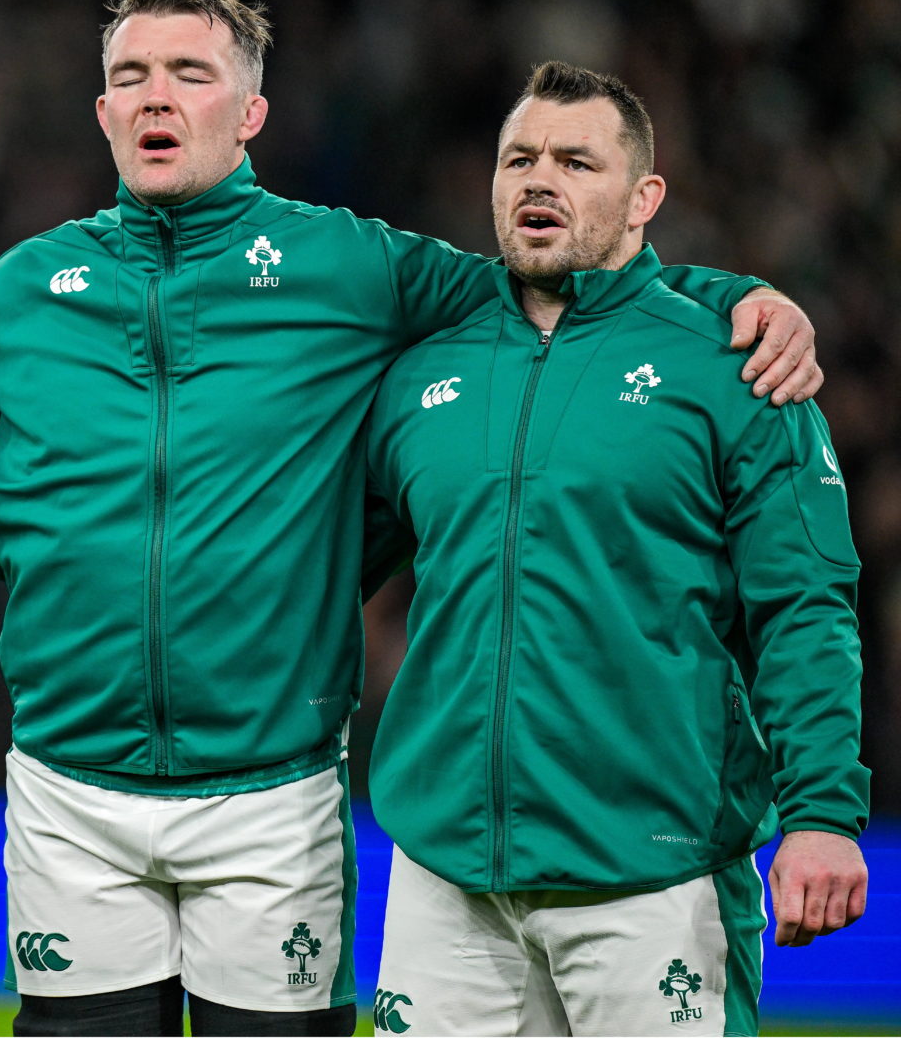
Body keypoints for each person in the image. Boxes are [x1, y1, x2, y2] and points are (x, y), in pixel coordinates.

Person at [0, 0, 824, 1037]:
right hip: (69, 781)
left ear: (250, 111)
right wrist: (26, 537)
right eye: (130, 76)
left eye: (188, 73)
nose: (156, 96)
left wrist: (732, 296)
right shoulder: (27, 286)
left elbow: (543, 283)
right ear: (103, 111)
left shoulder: (352, 265)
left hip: (272, 786)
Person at [361, 61, 867, 1038]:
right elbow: (323, 570)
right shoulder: (422, 376)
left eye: (576, 160)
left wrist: (823, 811)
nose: (539, 177)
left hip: (655, 868)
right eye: (520, 157)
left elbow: (806, 605)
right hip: (442, 870)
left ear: (645, 199)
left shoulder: (737, 367)